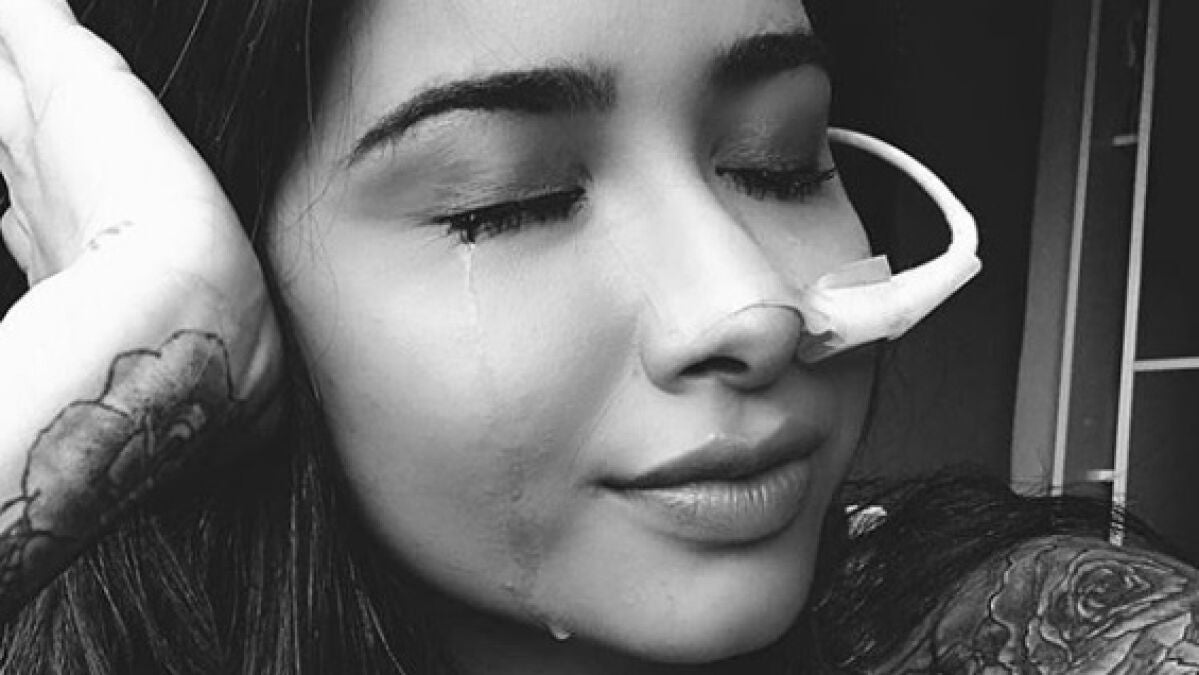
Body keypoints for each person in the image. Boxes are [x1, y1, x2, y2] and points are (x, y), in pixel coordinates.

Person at [0, 1, 1196, 673]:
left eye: (779, 162)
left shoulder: (1027, 629)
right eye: (506, 201)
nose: (751, 308)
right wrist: (137, 342)